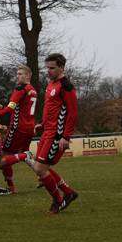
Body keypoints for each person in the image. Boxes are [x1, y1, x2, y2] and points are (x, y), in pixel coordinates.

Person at [31, 54, 79, 214]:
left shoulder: (66, 86)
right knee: (40, 167)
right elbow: (51, 108)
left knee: (40, 168)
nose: (48, 71)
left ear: (61, 67)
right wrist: (42, 124)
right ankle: (68, 192)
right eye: (47, 68)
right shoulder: (51, 84)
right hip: (47, 131)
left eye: (52, 68)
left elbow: (72, 113)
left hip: (57, 135)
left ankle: (58, 200)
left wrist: (66, 137)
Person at [0, 65, 37, 193]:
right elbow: (19, 109)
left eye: (20, 74)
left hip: (18, 128)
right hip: (30, 128)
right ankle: (44, 176)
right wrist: (2, 108)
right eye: (17, 74)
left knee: (4, 156)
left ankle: (11, 187)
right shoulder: (32, 90)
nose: (18, 76)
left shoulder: (20, 89)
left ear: (28, 75)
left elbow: (10, 109)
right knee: (27, 156)